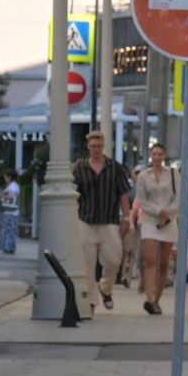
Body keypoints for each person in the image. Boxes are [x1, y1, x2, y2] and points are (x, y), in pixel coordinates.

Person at [71, 131, 131, 316]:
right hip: (86, 221)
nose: (96, 149)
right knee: (87, 264)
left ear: (104, 146)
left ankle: (105, 288)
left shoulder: (115, 168)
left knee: (114, 259)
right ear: (88, 147)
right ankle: (90, 300)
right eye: (93, 146)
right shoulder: (80, 170)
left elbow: (123, 193)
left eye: (99, 146)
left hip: (109, 220)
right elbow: (75, 196)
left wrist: (127, 218)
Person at [135, 141, 180, 316]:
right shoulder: (143, 176)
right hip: (150, 220)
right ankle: (149, 296)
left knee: (163, 262)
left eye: (160, 154)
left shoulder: (173, 174)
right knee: (150, 259)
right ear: (150, 156)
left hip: (169, 221)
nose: (157, 157)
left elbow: (179, 196)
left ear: (165, 156)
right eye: (154, 154)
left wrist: (167, 212)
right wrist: (157, 211)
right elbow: (142, 199)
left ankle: (157, 300)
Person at [0, 170, 22, 254]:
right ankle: (8, 246)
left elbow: (11, 196)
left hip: (11, 212)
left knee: (8, 230)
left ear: (9, 177)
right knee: (8, 229)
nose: (5, 179)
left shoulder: (13, 186)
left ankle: (8, 246)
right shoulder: (12, 186)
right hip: (9, 212)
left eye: (6, 177)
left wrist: (2, 195)